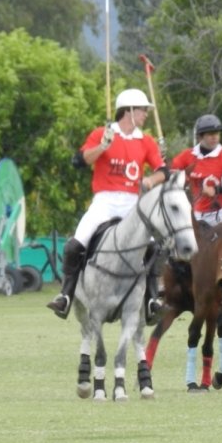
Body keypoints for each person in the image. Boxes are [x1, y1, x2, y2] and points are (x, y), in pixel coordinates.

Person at [47, 88, 168, 322]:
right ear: (130, 111)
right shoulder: (102, 134)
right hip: (104, 201)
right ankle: (66, 296)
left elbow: (164, 171)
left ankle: (152, 300)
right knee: (75, 244)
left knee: (153, 246)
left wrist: (151, 180)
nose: (146, 114)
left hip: (133, 203)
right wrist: (103, 146)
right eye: (143, 110)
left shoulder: (146, 141)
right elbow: (79, 161)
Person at [171, 114, 222, 226]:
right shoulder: (188, 155)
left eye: (217, 133)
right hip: (198, 211)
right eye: (211, 133)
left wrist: (215, 190)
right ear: (200, 137)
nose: (215, 137)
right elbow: (172, 174)